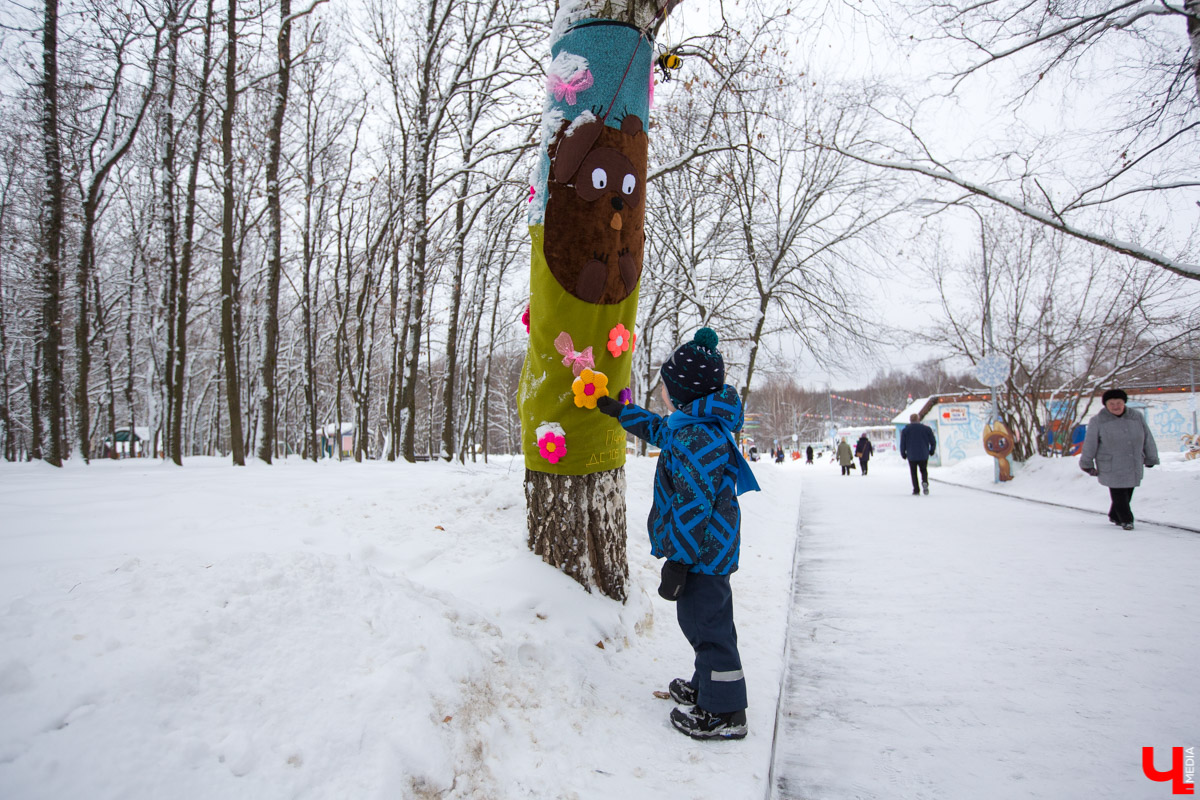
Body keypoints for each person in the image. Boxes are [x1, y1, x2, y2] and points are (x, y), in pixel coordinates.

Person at [597, 327, 759, 741]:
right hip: (708, 549)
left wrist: (679, 561)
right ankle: (708, 684)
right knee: (704, 620)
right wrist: (619, 411)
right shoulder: (693, 424)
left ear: (682, 392)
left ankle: (725, 713)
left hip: (702, 552)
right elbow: (660, 430)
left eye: (667, 388)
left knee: (707, 625)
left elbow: (693, 506)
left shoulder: (697, 436)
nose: (663, 395)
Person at [1079, 388, 1159, 530]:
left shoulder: (1136, 417)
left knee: (1128, 490)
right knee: (1118, 491)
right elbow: (1090, 443)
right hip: (1110, 463)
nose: (1116, 406)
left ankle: (1115, 514)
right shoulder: (1097, 421)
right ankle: (1126, 519)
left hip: (1133, 461)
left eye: (1119, 403)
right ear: (1106, 405)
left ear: (1124, 403)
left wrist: (1151, 457)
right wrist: (1087, 463)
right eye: (1112, 403)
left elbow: (1147, 437)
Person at [900, 413, 936, 495]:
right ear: (918, 419)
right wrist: (931, 451)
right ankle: (925, 482)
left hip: (911, 455)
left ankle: (916, 489)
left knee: (913, 472)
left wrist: (903, 453)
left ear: (910, 420)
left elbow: (903, 443)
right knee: (923, 470)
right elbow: (933, 441)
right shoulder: (926, 429)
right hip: (923, 454)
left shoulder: (905, 430)